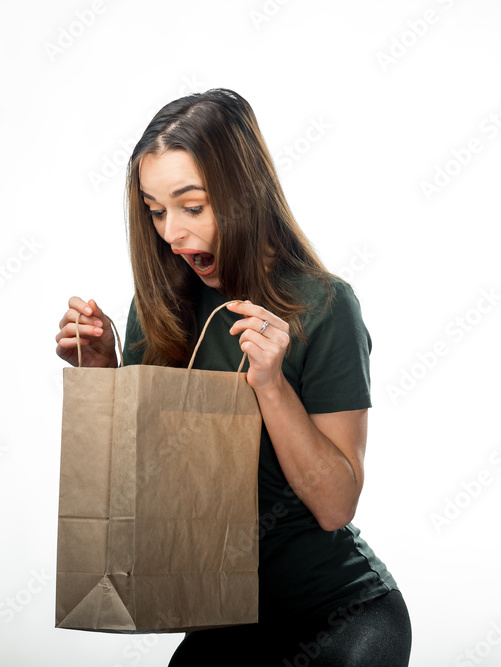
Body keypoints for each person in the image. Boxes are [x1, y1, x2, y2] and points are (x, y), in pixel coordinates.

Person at [55, 88, 411, 666]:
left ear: (245, 193)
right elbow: (150, 484)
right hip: (224, 615)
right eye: (155, 210)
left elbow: (336, 506)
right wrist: (104, 376)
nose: (171, 233)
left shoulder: (324, 305)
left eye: (191, 207)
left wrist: (270, 383)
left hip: (342, 614)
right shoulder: (159, 308)